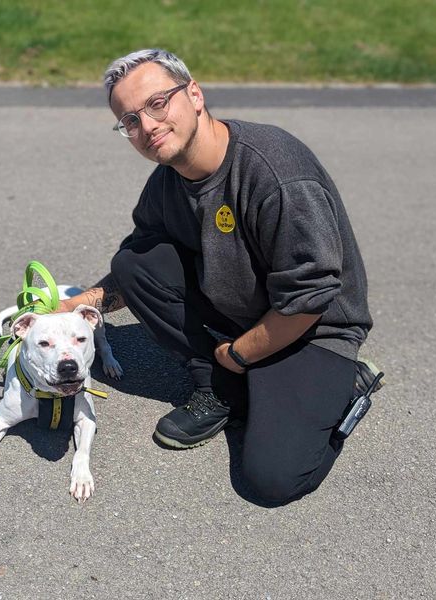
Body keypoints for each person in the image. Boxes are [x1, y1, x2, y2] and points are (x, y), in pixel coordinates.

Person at [59, 48, 379, 506]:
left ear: (194, 94)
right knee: (135, 262)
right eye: (129, 120)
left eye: (156, 104)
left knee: (272, 479)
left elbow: (310, 299)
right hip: (247, 312)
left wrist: (238, 355)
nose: (147, 126)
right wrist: (75, 307)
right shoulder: (169, 178)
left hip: (315, 329)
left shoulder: (275, 172)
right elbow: (136, 262)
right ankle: (224, 389)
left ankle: (345, 387)